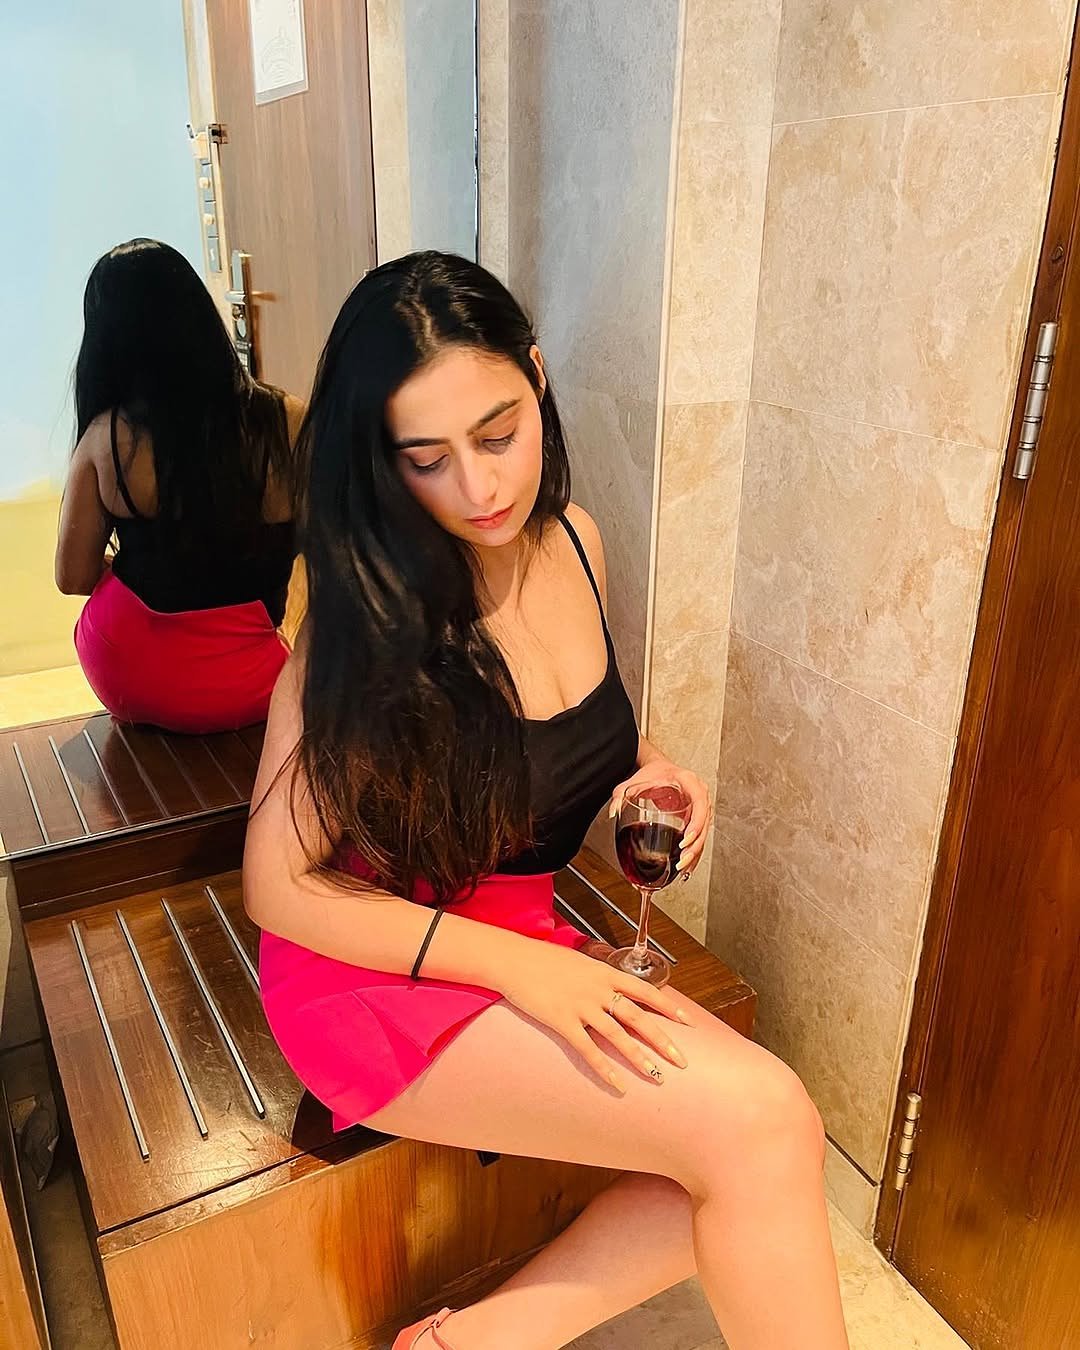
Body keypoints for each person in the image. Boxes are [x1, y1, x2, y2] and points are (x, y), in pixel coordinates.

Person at [243, 252, 849, 1349]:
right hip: (377, 969)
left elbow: (543, 727)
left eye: (498, 434)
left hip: (518, 932)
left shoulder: (575, 540)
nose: (479, 490)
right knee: (763, 1125)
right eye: (427, 460)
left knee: (765, 1147)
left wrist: (648, 768)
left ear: (536, 376)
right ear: (382, 463)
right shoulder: (366, 621)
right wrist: (522, 968)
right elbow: (277, 888)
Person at [55, 238, 303, 734]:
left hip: (130, 677)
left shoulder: (107, 439)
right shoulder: (288, 420)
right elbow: (331, 540)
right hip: (255, 684)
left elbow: (73, 577)